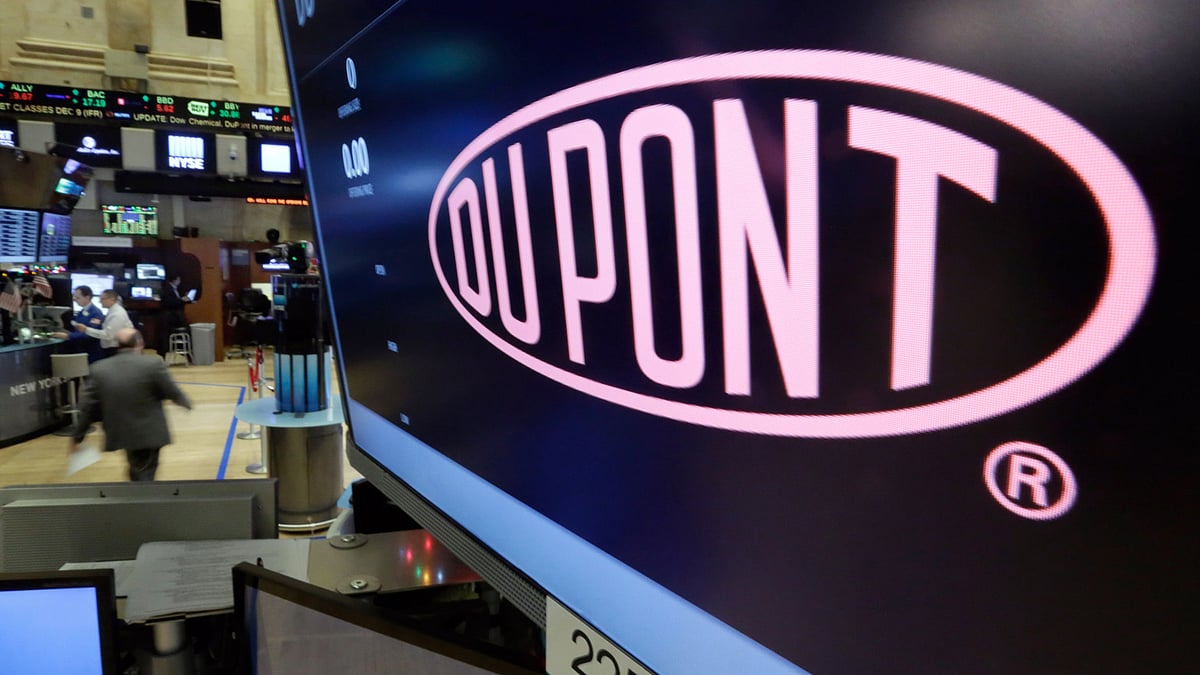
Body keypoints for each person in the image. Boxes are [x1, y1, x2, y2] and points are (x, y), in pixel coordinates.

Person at [69, 328, 192, 481]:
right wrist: (184, 401)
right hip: (148, 433)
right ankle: (141, 502)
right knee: (144, 473)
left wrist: (77, 437)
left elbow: (87, 407)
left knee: (136, 467)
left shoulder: (99, 368)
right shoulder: (153, 363)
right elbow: (171, 391)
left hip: (120, 432)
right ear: (139, 343)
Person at [51, 285, 105, 362]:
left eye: (77, 297)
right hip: (80, 350)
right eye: (74, 297)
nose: (74, 299)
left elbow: (91, 333)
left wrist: (68, 336)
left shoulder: (95, 313)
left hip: (90, 353)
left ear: (87, 297)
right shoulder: (82, 312)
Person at [75, 289, 134, 359]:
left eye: (102, 299)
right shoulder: (112, 311)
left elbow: (108, 335)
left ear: (112, 299)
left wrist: (86, 329)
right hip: (111, 347)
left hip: (115, 349)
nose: (100, 302)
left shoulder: (117, 314)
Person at [159, 274, 191, 358]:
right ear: (175, 280)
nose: (180, 282)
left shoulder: (172, 288)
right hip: (171, 318)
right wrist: (181, 300)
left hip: (171, 316)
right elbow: (170, 303)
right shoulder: (168, 289)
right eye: (179, 280)